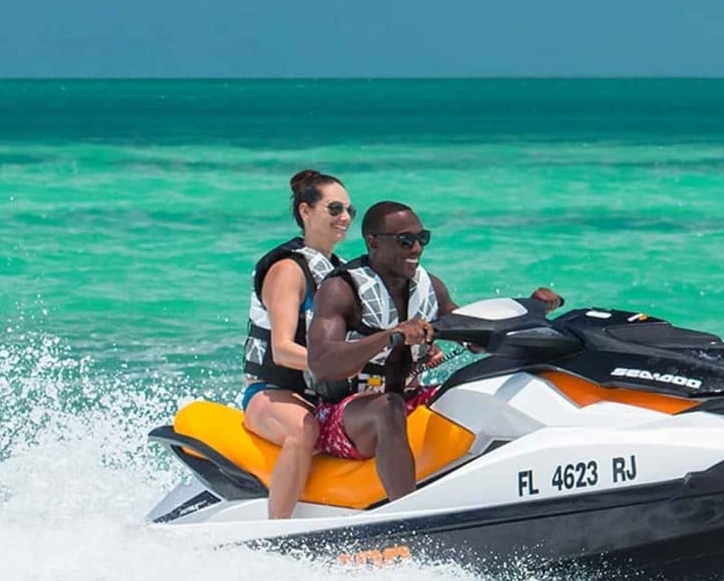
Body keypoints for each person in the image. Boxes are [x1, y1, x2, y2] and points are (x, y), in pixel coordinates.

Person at [307, 201, 562, 500]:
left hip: (409, 399)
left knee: (485, 385)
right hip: (342, 416)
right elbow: (321, 363)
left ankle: (530, 486)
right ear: (373, 242)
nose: (416, 249)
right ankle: (406, 519)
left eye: (422, 238)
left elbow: (473, 331)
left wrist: (530, 307)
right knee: (388, 407)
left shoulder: (430, 286)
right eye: (405, 240)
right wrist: (389, 336)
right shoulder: (341, 289)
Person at [241, 169, 355, 518]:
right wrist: (340, 364)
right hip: (269, 393)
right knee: (303, 429)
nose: (345, 218)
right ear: (306, 212)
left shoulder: (342, 270)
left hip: (320, 392)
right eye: (334, 209)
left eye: (351, 210)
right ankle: (277, 529)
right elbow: (282, 350)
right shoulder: (288, 270)